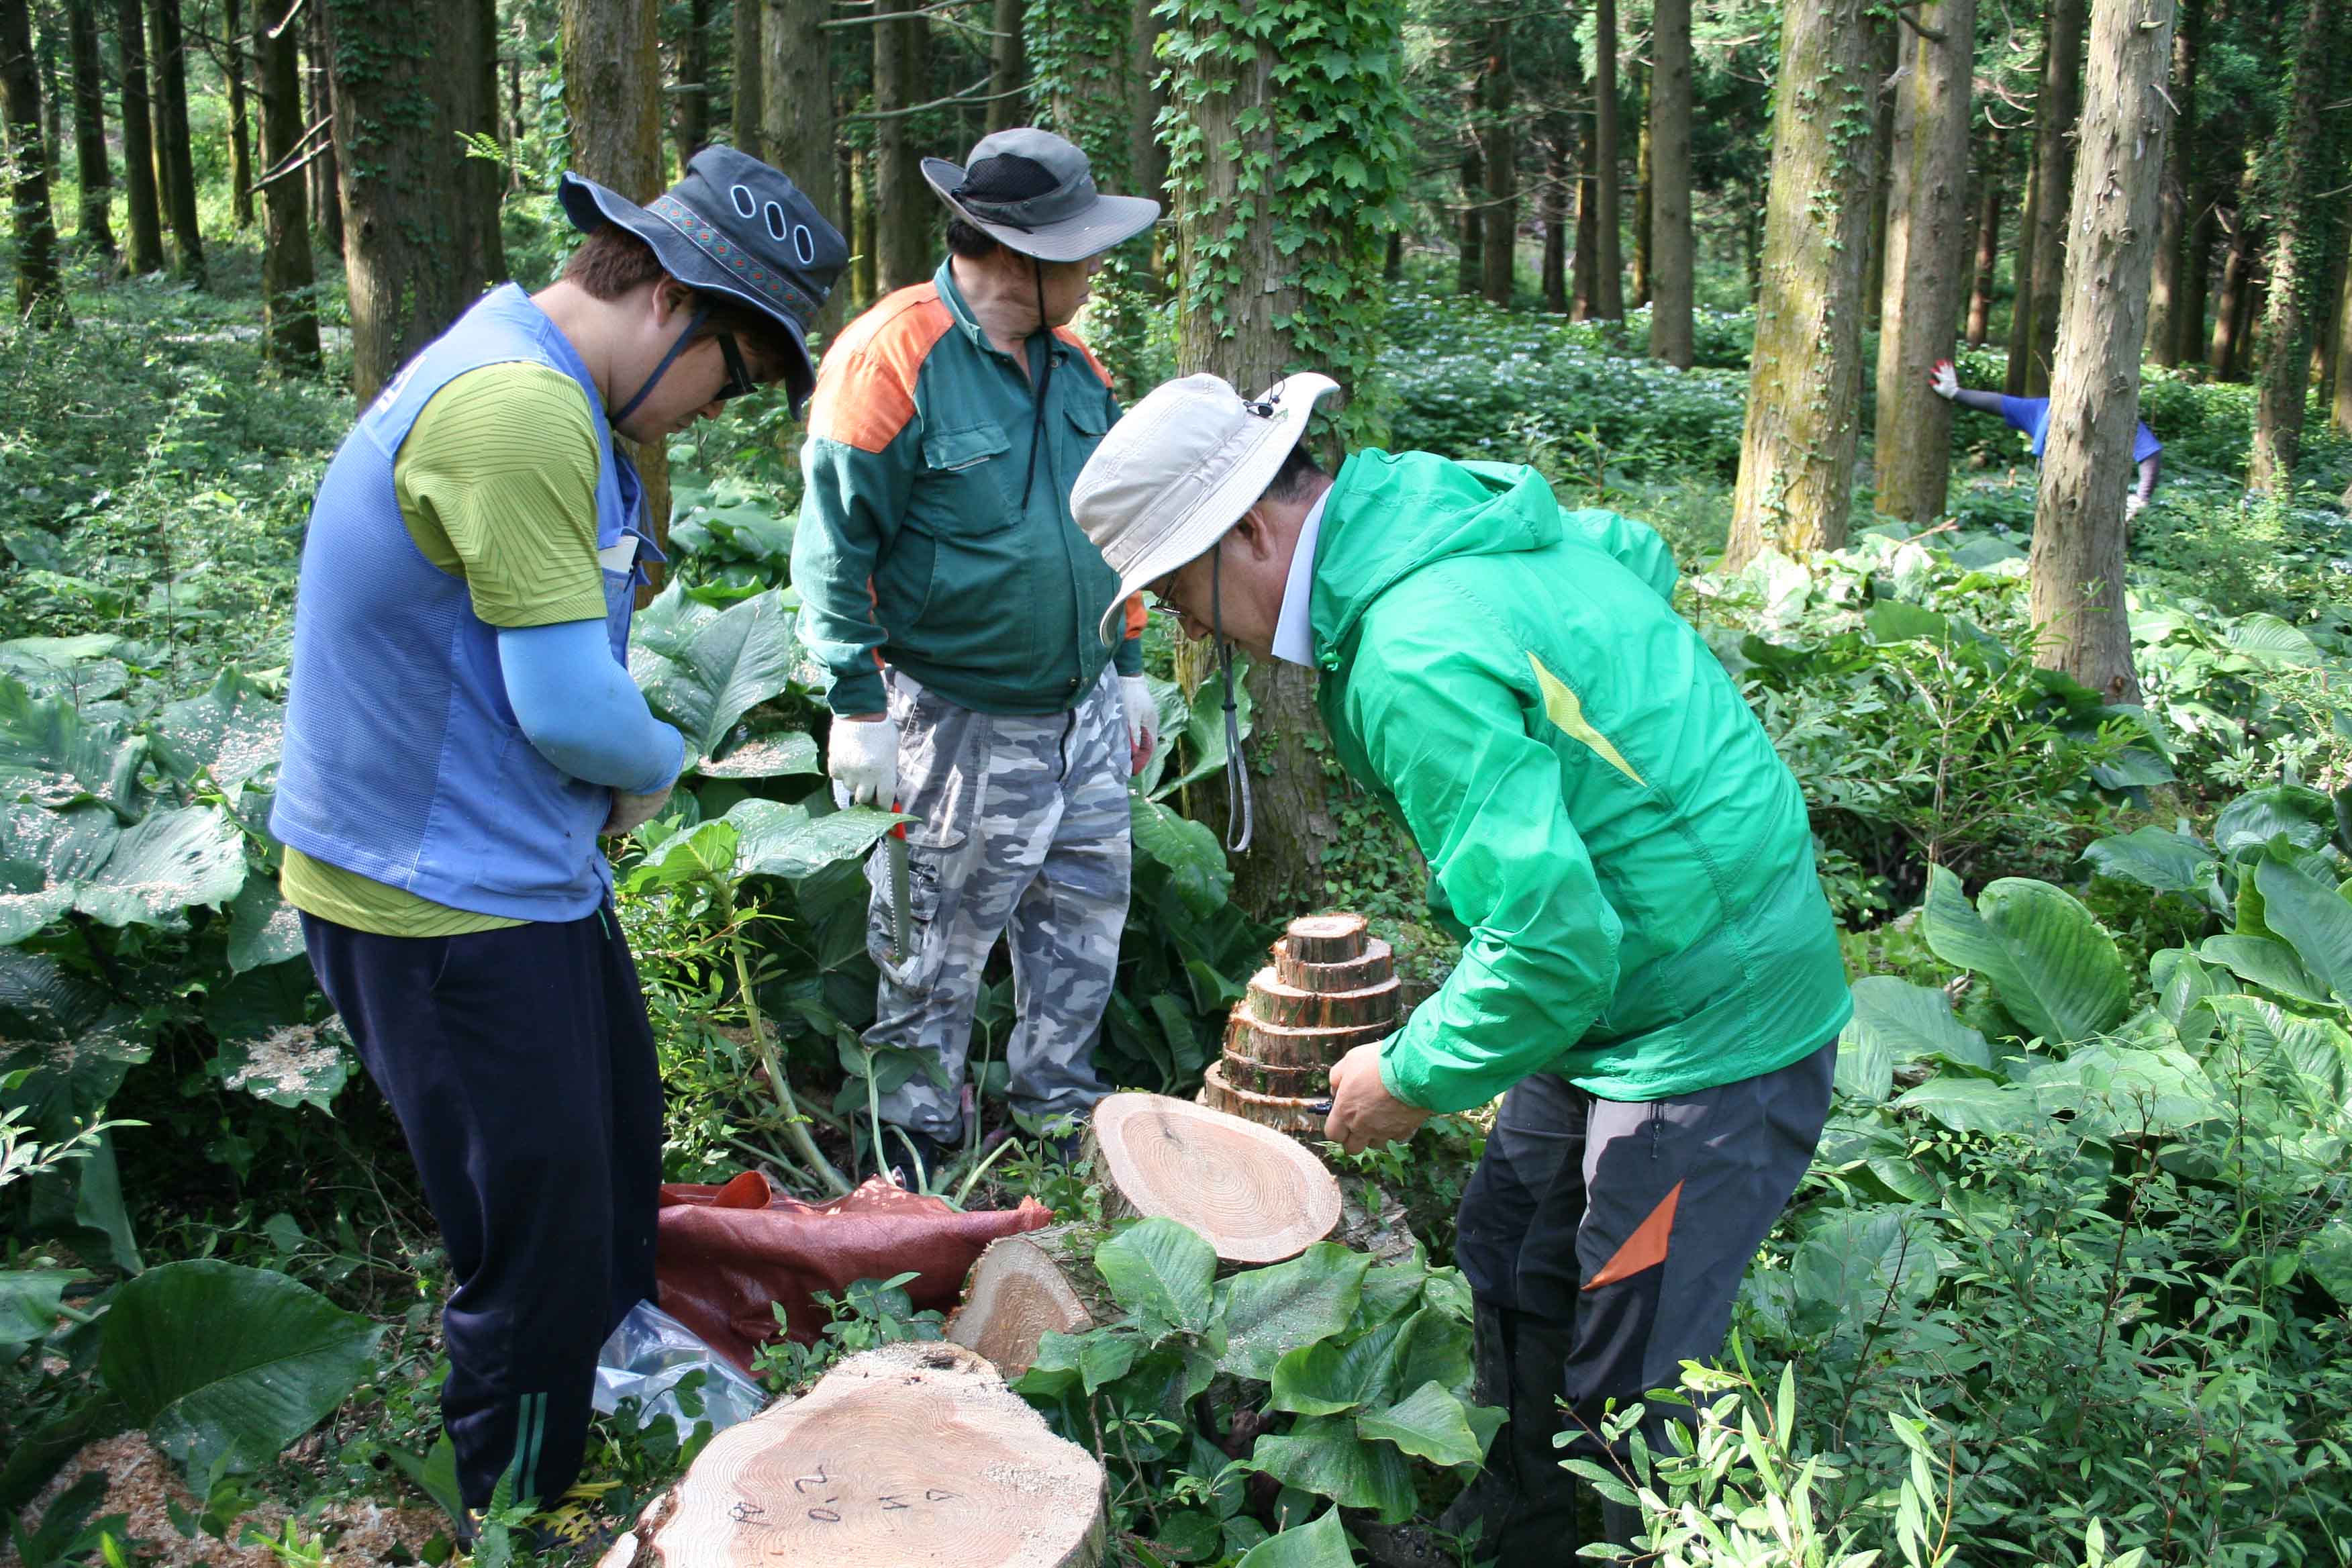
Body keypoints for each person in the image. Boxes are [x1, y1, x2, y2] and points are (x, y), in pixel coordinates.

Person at [1069, 374, 1854, 1564]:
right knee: (1501, 1239)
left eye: (1177, 588)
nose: (1184, 626)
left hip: (1711, 1020)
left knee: (1631, 1366)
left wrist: (1412, 1073)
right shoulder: (1429, 521)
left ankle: (1648, 1542)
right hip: (1611, 993)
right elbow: (1628, 553)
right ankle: (1520, 1529)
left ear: (1249, 530)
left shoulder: (1408, 651)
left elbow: (1549, 942)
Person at [271, 147, 844, 1521]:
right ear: (670, 302)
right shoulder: (521, 409)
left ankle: (607, 1410)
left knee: (611, 1151)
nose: (720, 409)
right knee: (530, 1233)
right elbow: (572, 709)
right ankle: (516, 1511)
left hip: (517, 871)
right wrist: (655, 765)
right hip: (437, 902)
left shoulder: (544, 382)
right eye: (737, 371)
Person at [789, 128, 1161, 1177]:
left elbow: (1116, 528)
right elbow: (831, 547)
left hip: (1081, 710)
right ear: (1015, 254)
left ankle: (1055, 1118)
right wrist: (855, 704)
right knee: (930, 939)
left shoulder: (1079, 367)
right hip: (952, 715)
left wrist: (1128, 669)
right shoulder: (891, 356)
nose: (1094, 270)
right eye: (1081, 252)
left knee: (1084, 918)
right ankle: (910, 1142)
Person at [1930, 358, 2163, 517]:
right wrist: (1956, 393)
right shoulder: (2043, 411)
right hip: (2054, 503)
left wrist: (2141, 499)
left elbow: (2149, 452)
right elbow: (1999, 404)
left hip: (2101, 509)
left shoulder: (2112, 416)